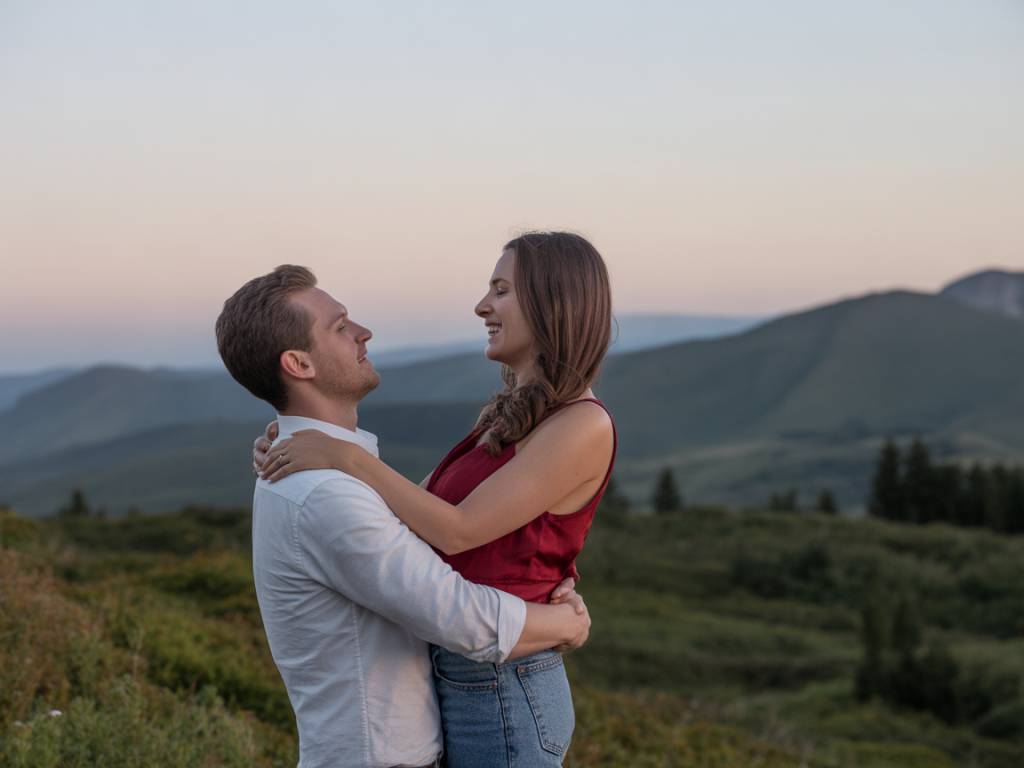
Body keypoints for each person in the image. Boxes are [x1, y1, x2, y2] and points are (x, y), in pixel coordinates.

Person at [254, 232, 616, 767]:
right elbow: (410, 516)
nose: (482, 306)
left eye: (501, 290)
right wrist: (297, 443)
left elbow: (457, 529)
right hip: (469, 672)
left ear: (553, 303)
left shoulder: (582, 423)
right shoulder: (511, 415)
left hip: (506, 680)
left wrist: (343, 457)